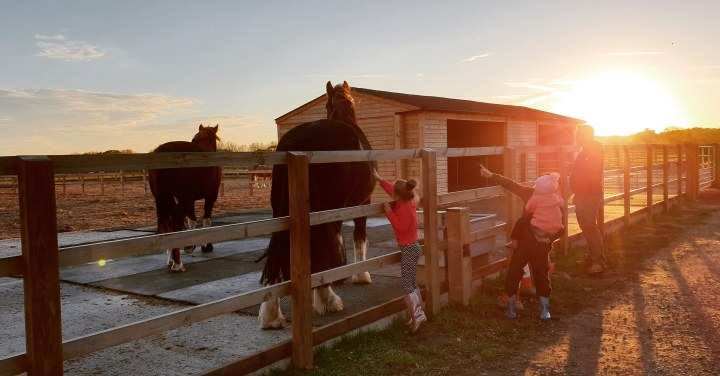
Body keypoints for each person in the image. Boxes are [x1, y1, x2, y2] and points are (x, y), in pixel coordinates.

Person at [480, 164, 564, 321]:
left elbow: (511, 185)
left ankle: (511, 307)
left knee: (514, 272)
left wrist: (492, 175)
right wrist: (548, 239)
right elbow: (562, 228)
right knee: (542, 276)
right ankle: (545, 311)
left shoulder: (530, 193)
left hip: (524, 244)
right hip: (541, 247)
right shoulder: (556, 200)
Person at [372, 168, 427, 332]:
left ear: (398, 196)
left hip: (409, 249)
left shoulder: (403, 209)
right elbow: (392, 189)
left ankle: (417, 315)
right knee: (411, 282)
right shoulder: (409, 201)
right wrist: (380, 179)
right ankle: (418, 313)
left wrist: (389, 213)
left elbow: (401, 227)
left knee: (406, 283)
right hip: (412, 247)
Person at [569, 124, 606, 274]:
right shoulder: (585, 150)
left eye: (578, 134)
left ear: (586, 135)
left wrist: (577, 170)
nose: (576, 137)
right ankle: (592, 257)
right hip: (582, 193)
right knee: (585, 224)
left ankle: (599, 262)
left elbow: (590, 169)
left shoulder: (595, 147)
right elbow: (583, 168)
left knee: (589, 224)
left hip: (590, 193)